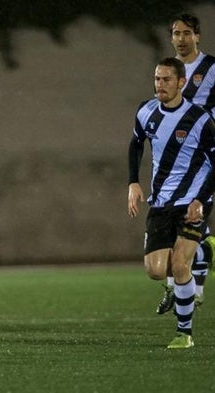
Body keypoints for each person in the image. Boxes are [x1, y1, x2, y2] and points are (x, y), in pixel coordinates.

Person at [127, 57, 215, 348]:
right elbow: (136, 143)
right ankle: (204, 251)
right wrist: (133, 182)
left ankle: (184, 334)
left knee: (179, 264)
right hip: (162, 202)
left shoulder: (200, 119)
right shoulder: (147, 111)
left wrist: (201, 200)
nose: (159, 85)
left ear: (181, 83)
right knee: (155, 270)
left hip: (192, 202)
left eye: (166, 79)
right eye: (156, 79)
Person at [155, 13, 215, 315]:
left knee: (192, 214)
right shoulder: (169, 70)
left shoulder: (212, 69)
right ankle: (202, 254)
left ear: (198, 36)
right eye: (176, 33)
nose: (181, 38)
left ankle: (185, 289)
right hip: (176, 158)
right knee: (176, 220)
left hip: (204, 155)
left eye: (187, 33)